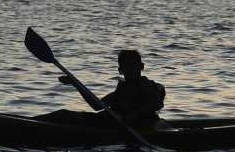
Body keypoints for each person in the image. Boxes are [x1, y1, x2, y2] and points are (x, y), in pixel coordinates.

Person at [35, 49, 165, 128]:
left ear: (141, 66)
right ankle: (31, 122)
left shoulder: (145, 84)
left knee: (63, 115)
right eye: (127, 66)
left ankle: (31, 124)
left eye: (133, 65)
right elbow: (97, 106)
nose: (130, 69)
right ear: (120, 70)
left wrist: (132, 116)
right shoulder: (122, 90)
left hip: (134, 126)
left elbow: (156, 102)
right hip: (108, 122)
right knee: (63, 114)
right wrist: (75, 84)